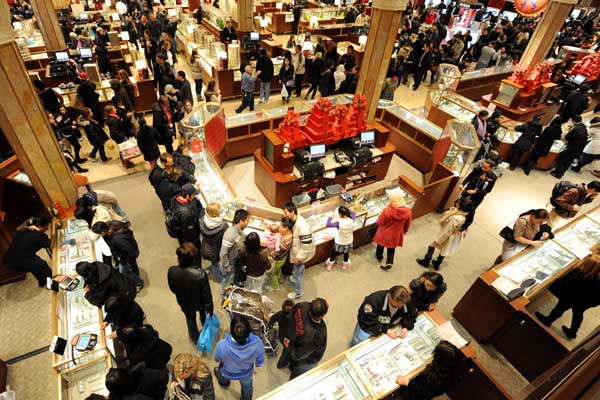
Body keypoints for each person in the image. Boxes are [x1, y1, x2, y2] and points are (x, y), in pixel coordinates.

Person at [536, 253, 600, 339]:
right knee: (578, 314)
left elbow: (564, 285)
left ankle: (548, 320)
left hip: (570, 297)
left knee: (559, 308)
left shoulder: (578, 275)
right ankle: (573, 332)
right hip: (585, 302)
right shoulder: (596, 279)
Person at [167, 243, 213, 343]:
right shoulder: (200, 274)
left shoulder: (172, 271)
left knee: (190, 319)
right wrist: (210, 307)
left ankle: (195, 338)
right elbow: (206, 294)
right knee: (203, 316)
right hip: (200, 303)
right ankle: (206, 330)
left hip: (185, 302)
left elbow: (172, 288)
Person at [214, 316, 265, 400]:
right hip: (246, 373)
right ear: (249, 330)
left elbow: (217, 359)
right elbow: (260, 361)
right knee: (247, 388)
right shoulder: (257, 343)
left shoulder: (221, 345)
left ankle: (224, 383)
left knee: (220, 370)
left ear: (231, 330)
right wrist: (258, 363)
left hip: (227, 372)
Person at [395, 341, 466, 399]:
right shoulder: (454, 365)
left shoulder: (438, 379)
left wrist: (407, 382)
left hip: (419, 395)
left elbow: (424, 392)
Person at [416, 197, 473, 270]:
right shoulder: (467, 214)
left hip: (449, 237)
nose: (456, 204)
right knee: (444, 251)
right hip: (456, 236)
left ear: (461, 207)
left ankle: (426, 261)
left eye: (458, 203)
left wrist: (438, 240)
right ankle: (437, 264)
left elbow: (447, 231)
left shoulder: (456, 218)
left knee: (431, 245)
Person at [351, 286, 417, 346]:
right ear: (390, 297)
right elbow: (366, 319)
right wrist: (385, 330)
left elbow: (411, 315)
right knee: (357, 342)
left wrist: (406, 326)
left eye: (402, 305)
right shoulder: (373, 301)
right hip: (367, 328)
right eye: (396, 305)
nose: (400, 307)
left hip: (389, 327)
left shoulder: (405, 301)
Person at [282, 298, 328, 379]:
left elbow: (290, 315)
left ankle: (289, 365)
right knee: (297, 374)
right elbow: (298, 355)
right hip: (306, 360)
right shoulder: (316, 334)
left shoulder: (303, 306)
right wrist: (289, 348)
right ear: (322, 315)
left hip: (293, 340)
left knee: (291, 361)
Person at [91, 220, 145, 289]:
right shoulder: (111, 225)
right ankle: (136, 274)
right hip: (127, 253)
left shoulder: (117, 239)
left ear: (102, 232)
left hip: (126, 257)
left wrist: (124, 260)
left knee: (123, 271)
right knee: (133, 265)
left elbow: (130, 251)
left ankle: (139, 282)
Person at [3, 216, 52, 287]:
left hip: (8, 261)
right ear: (39, 226)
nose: (47, 229)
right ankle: (52, 285)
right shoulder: (38, 235)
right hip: (20, 261)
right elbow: (49, 244)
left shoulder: (22, 231)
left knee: (35, 266)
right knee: (43, 267)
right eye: (46, 227)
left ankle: (42, 282)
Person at [282, 202, 315, 300]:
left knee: (298, 273)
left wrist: (299, 258)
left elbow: (306, 246)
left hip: (300, 255)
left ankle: (298, 293)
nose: (284, 215)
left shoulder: (303, 226)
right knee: (297, 270)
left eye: (285, 213)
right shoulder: (295, 220)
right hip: (298, 251)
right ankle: (295, 277)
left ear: (292, 212)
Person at [373, 191, 412, 271]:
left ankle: (379, 257)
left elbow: (380, 222)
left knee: (380, 245)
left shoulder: (387, 210)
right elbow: (407, 224)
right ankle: (389, 262)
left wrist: (379, 217)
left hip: (384, 232)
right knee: (391, 248)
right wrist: (404, 231)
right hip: (396, 233)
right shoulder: (408, 212)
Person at [458, 159, 497, 229]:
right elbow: (468, 178)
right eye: (482, 166)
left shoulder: (493, 177)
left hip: (478, 196)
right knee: (461, 204)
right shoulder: (477, 170)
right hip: (468, 190)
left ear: (491, 168)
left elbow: (488, 190)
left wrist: (475, 192)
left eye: (485, 167)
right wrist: (462, 184)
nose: (483, 168)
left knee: (470, 210)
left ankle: (465, 225)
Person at [220, 209, 250, 295]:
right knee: (227, 282)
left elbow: (241, 235)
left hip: (234, 259)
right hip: (229, 263)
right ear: (241, 221)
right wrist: (227, 266)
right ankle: (225, 298)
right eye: (247, 220)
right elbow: (223, 253)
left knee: (232, 279)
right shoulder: (230, 234)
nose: (248, 222)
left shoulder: (237, 229)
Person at [170, 183, 204, 249]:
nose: (194, 196)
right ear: (187, 196)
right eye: (193, 195)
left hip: (181, 231)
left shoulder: (175, 199)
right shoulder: (186, 214)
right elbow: (189, 232)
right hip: (188, 238)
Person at [266, 217, 294, 290]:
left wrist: (269, 253)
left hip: (278, 259)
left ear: (286, 228)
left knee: (273, 273)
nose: (279, 228)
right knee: (278, 270)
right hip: (283, 258)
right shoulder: (290, 234)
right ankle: (279, 278)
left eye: (281, 226)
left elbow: (276, 253)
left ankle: (274, 286)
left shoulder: (285, 242)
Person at [325, 206, 355, 271]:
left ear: (340, 214)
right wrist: (346, 210)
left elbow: (328, 224)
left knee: (334, 252)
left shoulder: (339, 223)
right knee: (346, 253)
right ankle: (345, 265)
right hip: (348, 240)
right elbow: (353, 213)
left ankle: (330, 265)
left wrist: (330, 217)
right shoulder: (352, 219)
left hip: (340, 241)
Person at [268, 299, 295, 368]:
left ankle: (283, 363)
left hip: (282, 337)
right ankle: (281, 364)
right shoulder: (295, 317)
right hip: (291, 338)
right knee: (287, 351)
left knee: (286, 349)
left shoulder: (279, 314)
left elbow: (271, 321)